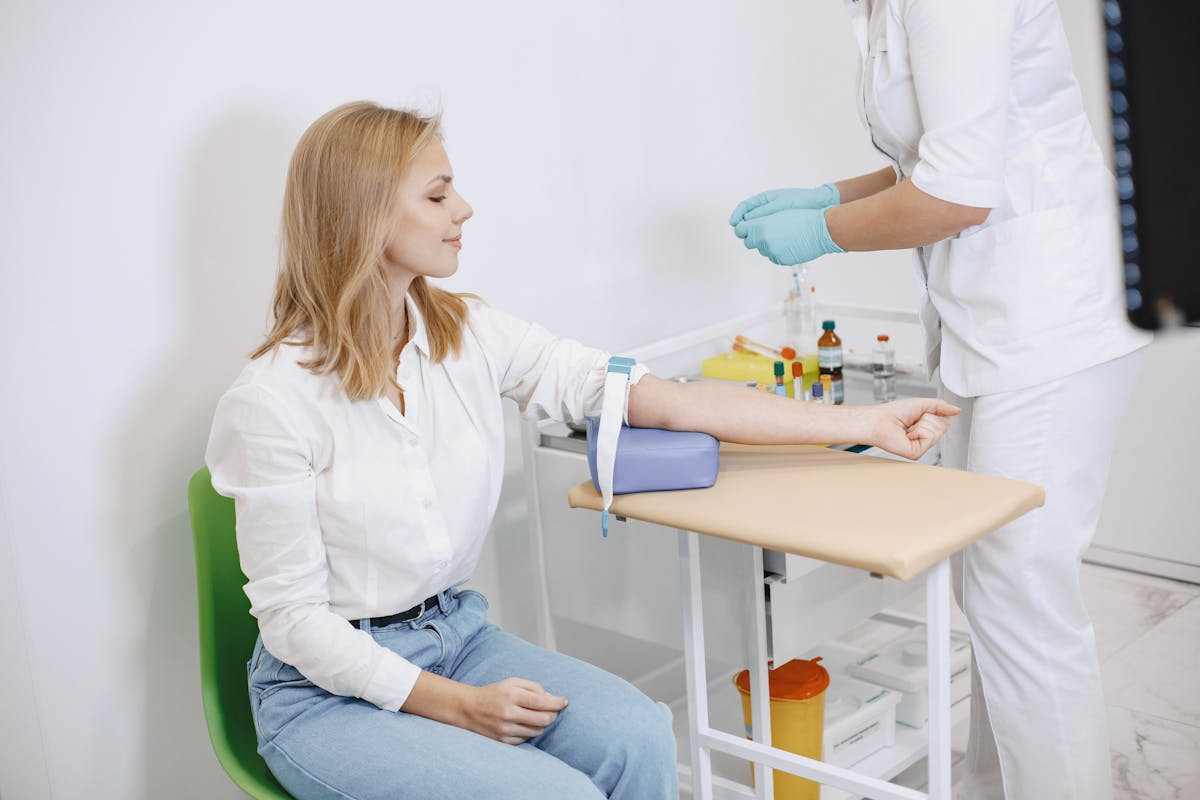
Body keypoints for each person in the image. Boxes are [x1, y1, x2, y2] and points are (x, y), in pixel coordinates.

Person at [205, 100, 959, 800]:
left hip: (454, 638)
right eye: (437, 196)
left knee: (638, 735)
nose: (463, 209)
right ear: (363, 217)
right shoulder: (272, 402)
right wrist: (460, 708)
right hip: (323, 694)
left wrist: (867, 425)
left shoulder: (466, 334)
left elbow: (671, 400)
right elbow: (296, 626)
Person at [728, 2, 1153, 798]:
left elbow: (960, 192)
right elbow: (945, 151)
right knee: (993, 593)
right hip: (990, 317)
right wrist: (829, 193)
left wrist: (827, 227)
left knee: (1020, 593)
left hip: (1053, 319)